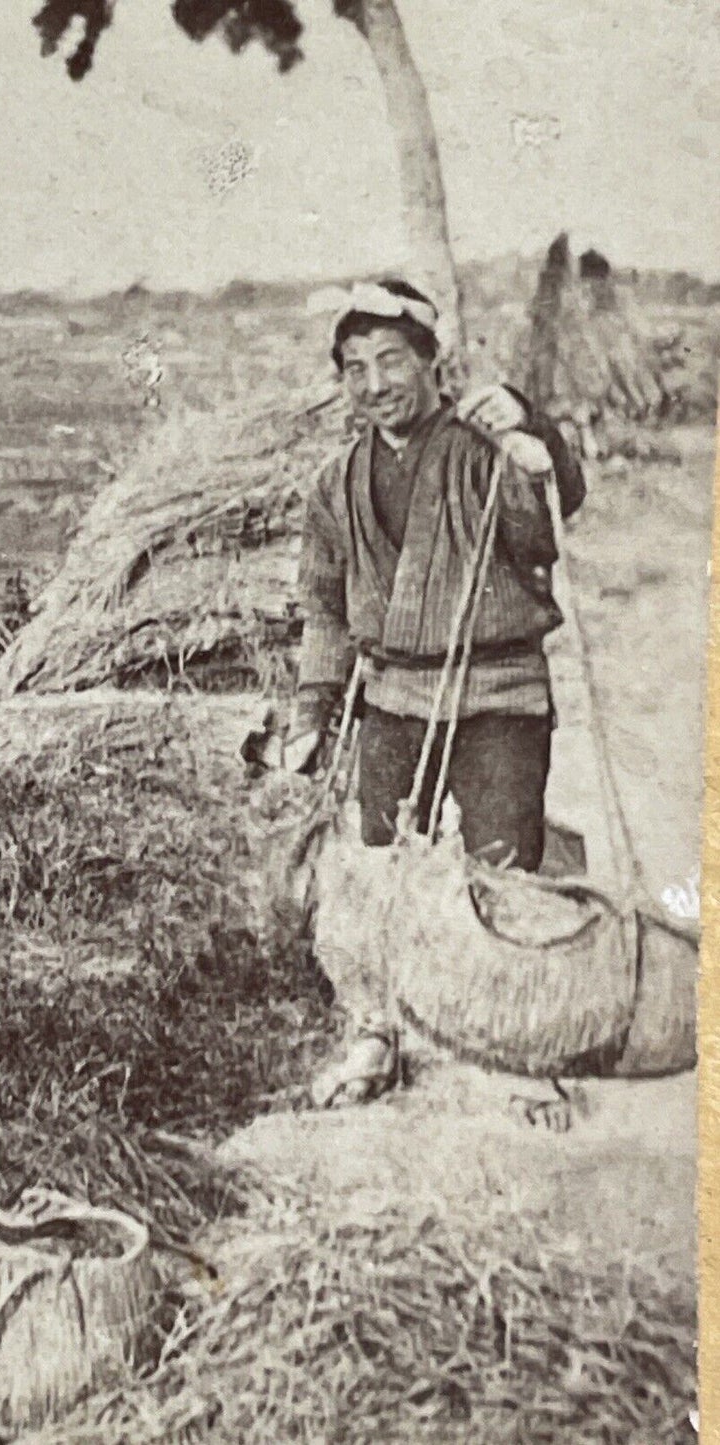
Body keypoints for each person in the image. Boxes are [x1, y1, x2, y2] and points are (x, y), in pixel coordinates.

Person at [286, 281, 586, 1106]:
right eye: (354, 368)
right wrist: (311, 710)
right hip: (390, 697)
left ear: (430, 363)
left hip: (497, 692)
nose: (374, 383)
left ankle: (528, 1050)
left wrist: (530, 437)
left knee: (504, 873)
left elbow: (552, 517)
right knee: (379, 874)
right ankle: (376, 1032)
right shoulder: (335, 482)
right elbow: (323, 604)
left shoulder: (482, 450)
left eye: (391, 361)